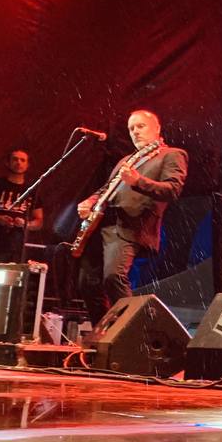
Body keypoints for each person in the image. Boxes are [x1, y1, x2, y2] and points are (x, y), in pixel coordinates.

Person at [76, 111, 187, 321]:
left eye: (140, 126)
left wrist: (138, 181)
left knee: (113, 277)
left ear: (157, 128)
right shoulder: (125, 160)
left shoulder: (172, 154)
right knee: (87, 283)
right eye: (131, 128)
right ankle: (103, 333)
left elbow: (172, 189)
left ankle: (132, 331)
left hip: (131, 227)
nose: (135, 131)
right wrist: (90, 201)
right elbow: (106, 189)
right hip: (103, 225)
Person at [0, 149, 44, 263]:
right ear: (7, 163)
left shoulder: (32, 190)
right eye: (15, 159)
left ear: (27, 165)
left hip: (17, 245)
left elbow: (39, 221)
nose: (18, 163)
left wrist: (25, 224)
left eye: (22, 160)